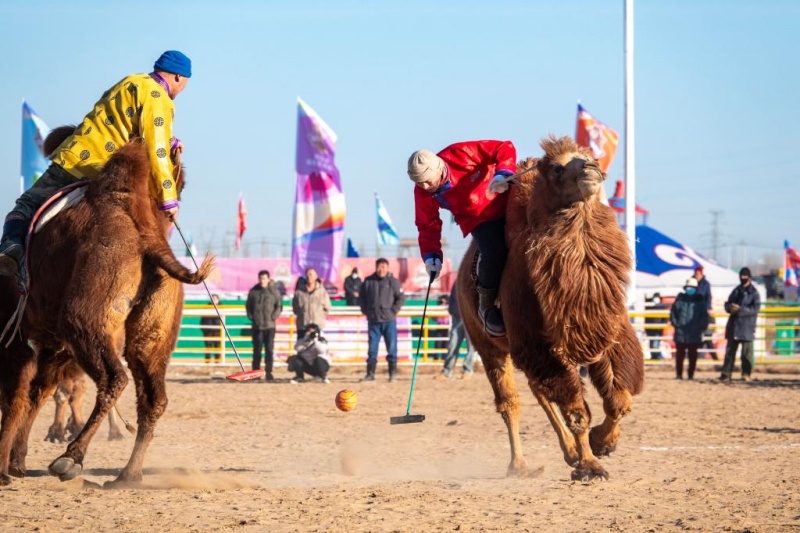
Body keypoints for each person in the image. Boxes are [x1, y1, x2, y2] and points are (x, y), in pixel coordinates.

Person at [0, 51, 192, 278]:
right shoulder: (160, 99)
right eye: (186, 84)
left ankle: (11, 246)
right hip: (106, 174)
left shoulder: (130, 81)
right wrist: (168, 199)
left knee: (27, 204)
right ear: (179, 77)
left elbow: (122, 122)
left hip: (73, 160)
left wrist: (169, 140)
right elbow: (156, 149)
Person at [407, 140, 517, 337]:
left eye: (426, 180)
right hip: (478, 219)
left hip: (506, 197)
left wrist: (503, 172)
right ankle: (487, 305)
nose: (424, 185)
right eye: (418, 182)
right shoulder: (422, 191)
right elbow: (427, 224)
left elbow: (503, 147)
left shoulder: (460, 153)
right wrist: (431, 255)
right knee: (494, 254)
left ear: (439, 167)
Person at [358, 258, 405, 381]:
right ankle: (370, 374)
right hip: (373, 321)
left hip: (389, 321)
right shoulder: (368, 281)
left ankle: (392, 374)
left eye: (384, 267)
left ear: (388, 268)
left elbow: (400, 298)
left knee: (392, 348)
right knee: (372, 349)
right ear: (376, 267)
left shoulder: (393, 282)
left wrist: (393, 311)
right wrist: (366, 311)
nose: (381, 269)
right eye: (379, 266)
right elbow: (361, 298)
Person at [720, 267, 761, 381]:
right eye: (741, 276)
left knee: (746, 354)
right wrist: (730, 308)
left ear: (749, 277)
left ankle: (746, 374)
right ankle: (726, 374)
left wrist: (740, 310)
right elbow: (727, 304)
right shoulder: (736, 291)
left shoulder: (754, 293)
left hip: (747, 326)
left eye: (745, 276)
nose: (743, 278)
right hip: (734, 325)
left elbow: (755, 309)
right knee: (729, 353)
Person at [435, 282, 477, 380]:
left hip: (470, 318)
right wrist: (452, 310)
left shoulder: (475, 280)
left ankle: (467, 370)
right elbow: (452, 297)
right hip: (457, 318)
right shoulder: (457, 282)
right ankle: (447, 371)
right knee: (452, 345)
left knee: (470, 346)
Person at [246, 270, 283, 381]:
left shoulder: (274, 291)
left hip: (270, 326)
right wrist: (252, 317)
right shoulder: (254, 291)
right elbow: (248, 306)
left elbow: (279, 306)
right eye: (261, 278)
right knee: (257, 351)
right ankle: (255, 374)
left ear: (268, 279)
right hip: (257, 326)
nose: (262, 280)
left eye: (264, 278)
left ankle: (269, 372)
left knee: (269, 351)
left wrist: (273, 317)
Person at [669, 278, 709, 380]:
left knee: (693, 356)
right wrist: (676, 324)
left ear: (696, 288)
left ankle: (691, 375)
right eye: (688, 287)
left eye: (692, 287)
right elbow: (673, 313)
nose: (690, 289)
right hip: (681, 331)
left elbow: (704, 316)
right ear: (685, 288)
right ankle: (679, 374)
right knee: (679, 356)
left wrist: (701, 327)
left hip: (694, 333)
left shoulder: (700, 301)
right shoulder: (680, 299)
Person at [292, 267, 332, 339]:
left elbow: (327, 308)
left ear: (316, 276)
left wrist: (318, 316)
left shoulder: (322, 292)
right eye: (307, 275)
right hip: (303, 327)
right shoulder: (299, 292)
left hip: (317, 327)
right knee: (302, 349)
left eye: (311, 275)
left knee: (318, 348)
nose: (309, 277)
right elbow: (295, 308)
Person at [694, 266, 717, 360]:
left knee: (707, 339)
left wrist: (708, 308)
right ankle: (697, 359)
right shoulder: (694, 284)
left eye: (698, 274)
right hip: (697, 316)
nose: (697, 276)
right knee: (702, 340)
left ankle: (697, 359)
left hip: (704, 315)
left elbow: (708, 297)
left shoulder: (705, 284)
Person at [644, 293, 668, 360]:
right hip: (651, 328)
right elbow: (647, 319)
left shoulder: (662, 307)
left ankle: (657, 356)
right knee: (652, 343)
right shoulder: (649, 307)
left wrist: (662, 325)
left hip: (658, 328)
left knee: (656, 343)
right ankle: (654, 356)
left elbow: (665, 318)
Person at [200, 294, 222, 363]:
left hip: (217, 330)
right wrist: (204, 329)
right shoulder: (207, 307)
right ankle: (207, 361)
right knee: (208, 346)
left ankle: (217, 361)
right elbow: (203, 320)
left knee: (217, 346)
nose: (214, 300)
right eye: (213, 299)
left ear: (218, 300)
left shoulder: (222, 307)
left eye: (216, 299)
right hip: (208, 330)